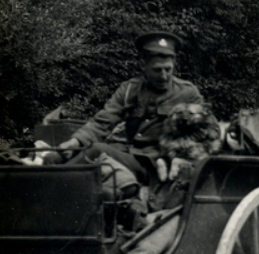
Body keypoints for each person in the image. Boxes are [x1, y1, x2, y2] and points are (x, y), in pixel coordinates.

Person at [50, 31, 204, 184]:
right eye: (157, 70)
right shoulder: (129, 89)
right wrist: (75, 142)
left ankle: (53, 184)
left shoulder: (187, 93)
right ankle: (46, 173)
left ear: (174, 65)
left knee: (96, 151)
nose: (163, 76)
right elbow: (103, 121)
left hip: (155, 164)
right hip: (128, 154)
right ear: (144, 65)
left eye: (168, 69)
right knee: (57, 156)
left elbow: (206, 129)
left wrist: (182, 154)